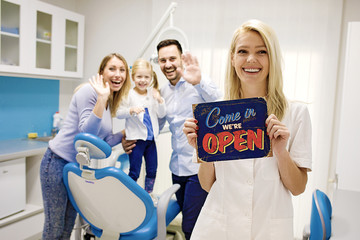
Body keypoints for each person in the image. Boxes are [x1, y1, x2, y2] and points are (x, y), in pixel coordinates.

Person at [183, 19, 312, 239]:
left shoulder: (296, 113)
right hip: (218, 228)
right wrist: (202, 150)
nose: (251, 59)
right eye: (243, 51)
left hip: (269, 230)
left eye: (262, 52)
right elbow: (207, 184)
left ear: (272, 59)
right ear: (232, 58)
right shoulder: (215, 115)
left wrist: (281, 151)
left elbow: (298, 188)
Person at [123, 39, 222, 239]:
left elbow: (221, 102)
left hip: (199, 167)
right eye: (163, 60)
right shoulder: (162, 92)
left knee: (191, 226)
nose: (167, 64)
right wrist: (130, 138)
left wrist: (200, 80)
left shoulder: (197, 83)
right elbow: (155, 124)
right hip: (177, 168)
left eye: (172, 59)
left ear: (181, 59)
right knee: (190, 220)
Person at [40, 53, 131, 240]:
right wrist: (101, 99)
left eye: (122, 70)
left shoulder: (107, 102)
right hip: (57, 162)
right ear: (101, 73)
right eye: (112, 69)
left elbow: (101, 143)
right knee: (54, 228)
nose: (118, 74)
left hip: (77, 168)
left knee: (67, 228)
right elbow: (85, 133)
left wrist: (122, 136)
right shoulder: (89, 92)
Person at [117, 58, 166, 194]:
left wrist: (160, 100)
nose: (143, 80)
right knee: (134, 171)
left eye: (146, 77)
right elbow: (119, 113)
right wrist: (130, 110)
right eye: (139, 77)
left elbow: (161, 114)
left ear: (151, 78)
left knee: (152, 170)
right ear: (133, 77)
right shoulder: (129, 95)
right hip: (136, 140)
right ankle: (129, 194)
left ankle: (148, 194)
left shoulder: (152, 94)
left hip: (151, 141)